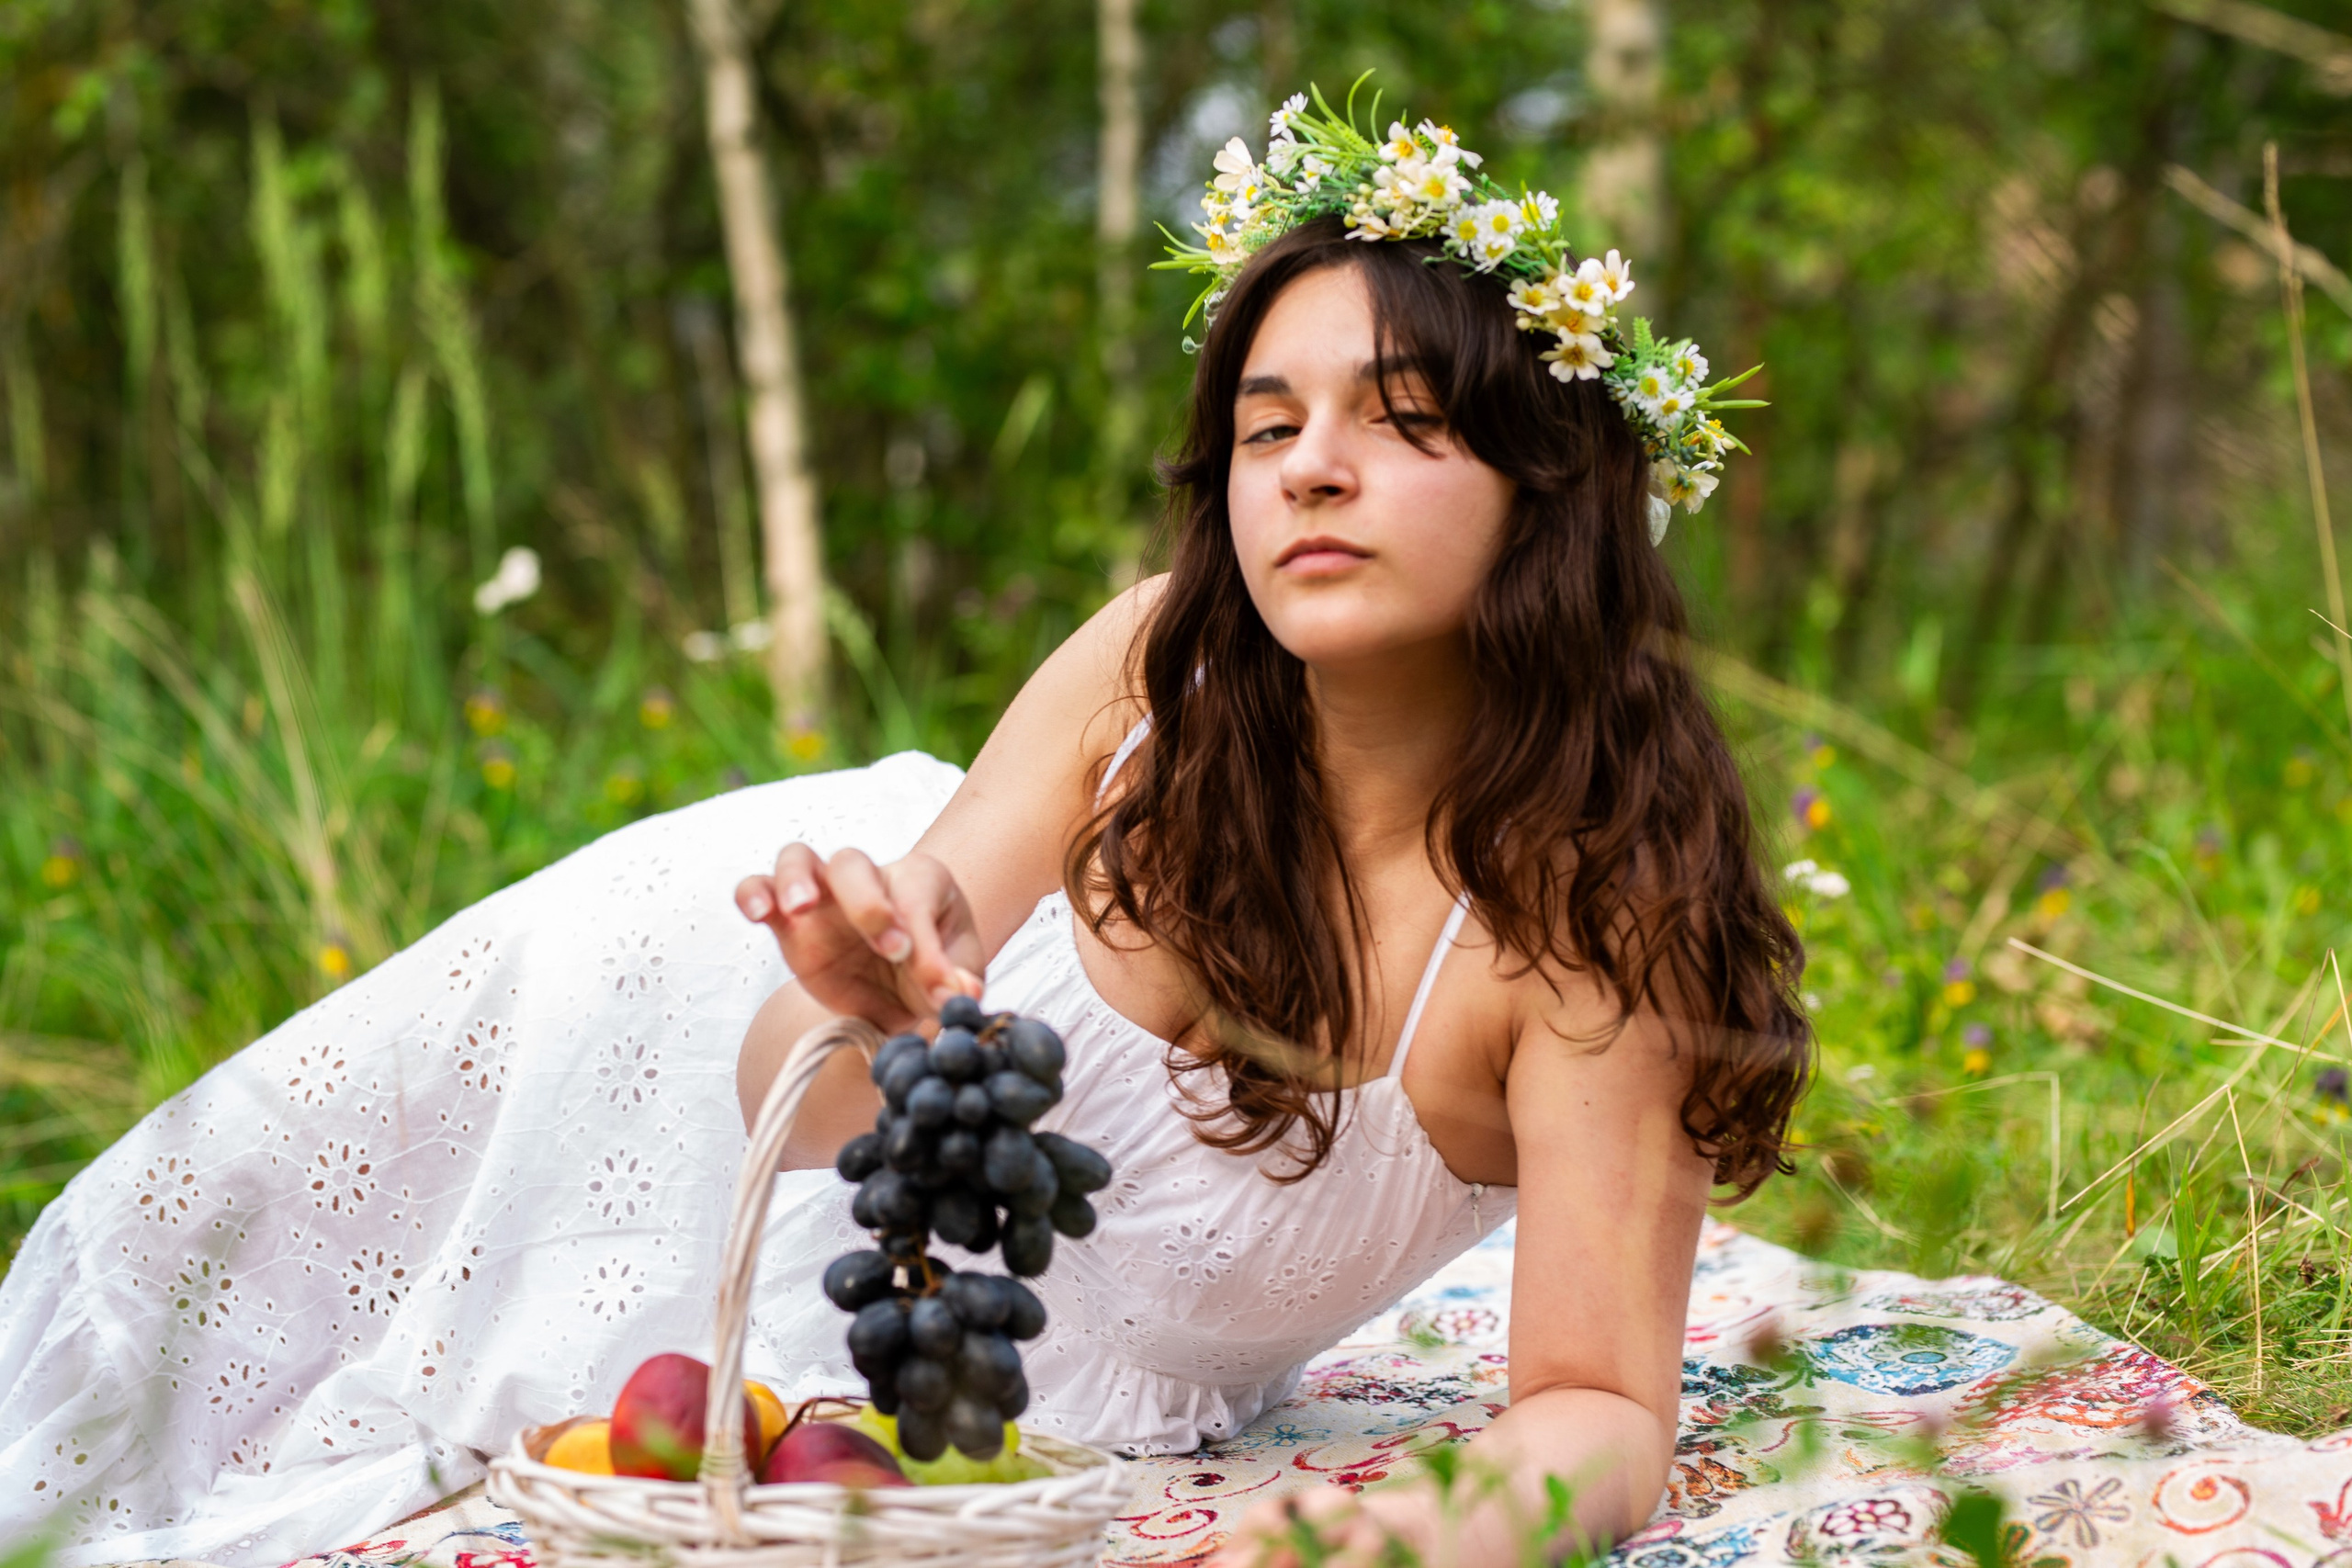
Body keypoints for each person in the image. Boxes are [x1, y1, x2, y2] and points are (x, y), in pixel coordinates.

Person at [0, 95, 1807, 1568]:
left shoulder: (1585, 946)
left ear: (1549, 496)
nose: (1306, 470)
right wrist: (860, 998)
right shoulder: (1145, 668)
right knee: (192, 1316)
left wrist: (1355, 1550)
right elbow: (824, 1102)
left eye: (1396, 421)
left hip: (932, 1384)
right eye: (1264, 428)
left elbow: (1595, 1409)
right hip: (658, 1027)